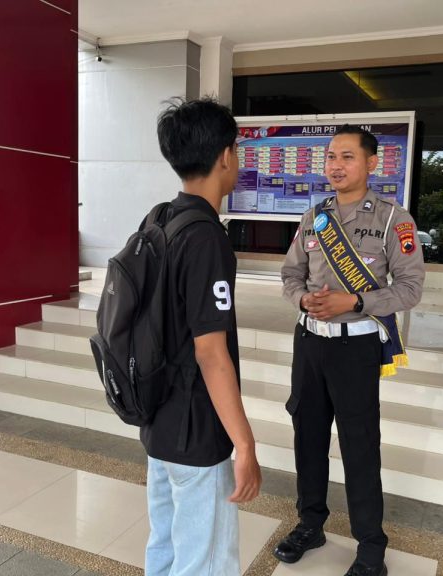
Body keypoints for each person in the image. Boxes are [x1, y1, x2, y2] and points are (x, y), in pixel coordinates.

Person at [277, 125, 425, 576]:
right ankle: (310, 524)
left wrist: (355, 302)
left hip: (355, 348)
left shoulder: (394, 220)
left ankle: (371, 547)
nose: (336, 166)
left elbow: (410, 288)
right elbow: (290, 275)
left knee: (359, 446)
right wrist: (302, 299)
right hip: (309, 344)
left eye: (347, 157)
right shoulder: (314, 216)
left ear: (371, 163)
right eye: (330, 157)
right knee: (308, 438)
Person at [142, 98, 261, 576]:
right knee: (206, 561)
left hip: (158, 418)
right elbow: (211, 353)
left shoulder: (159, 218)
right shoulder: (207, 237)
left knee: (166, 547)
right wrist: (244, 444)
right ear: (225, 156)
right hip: (197, 429)